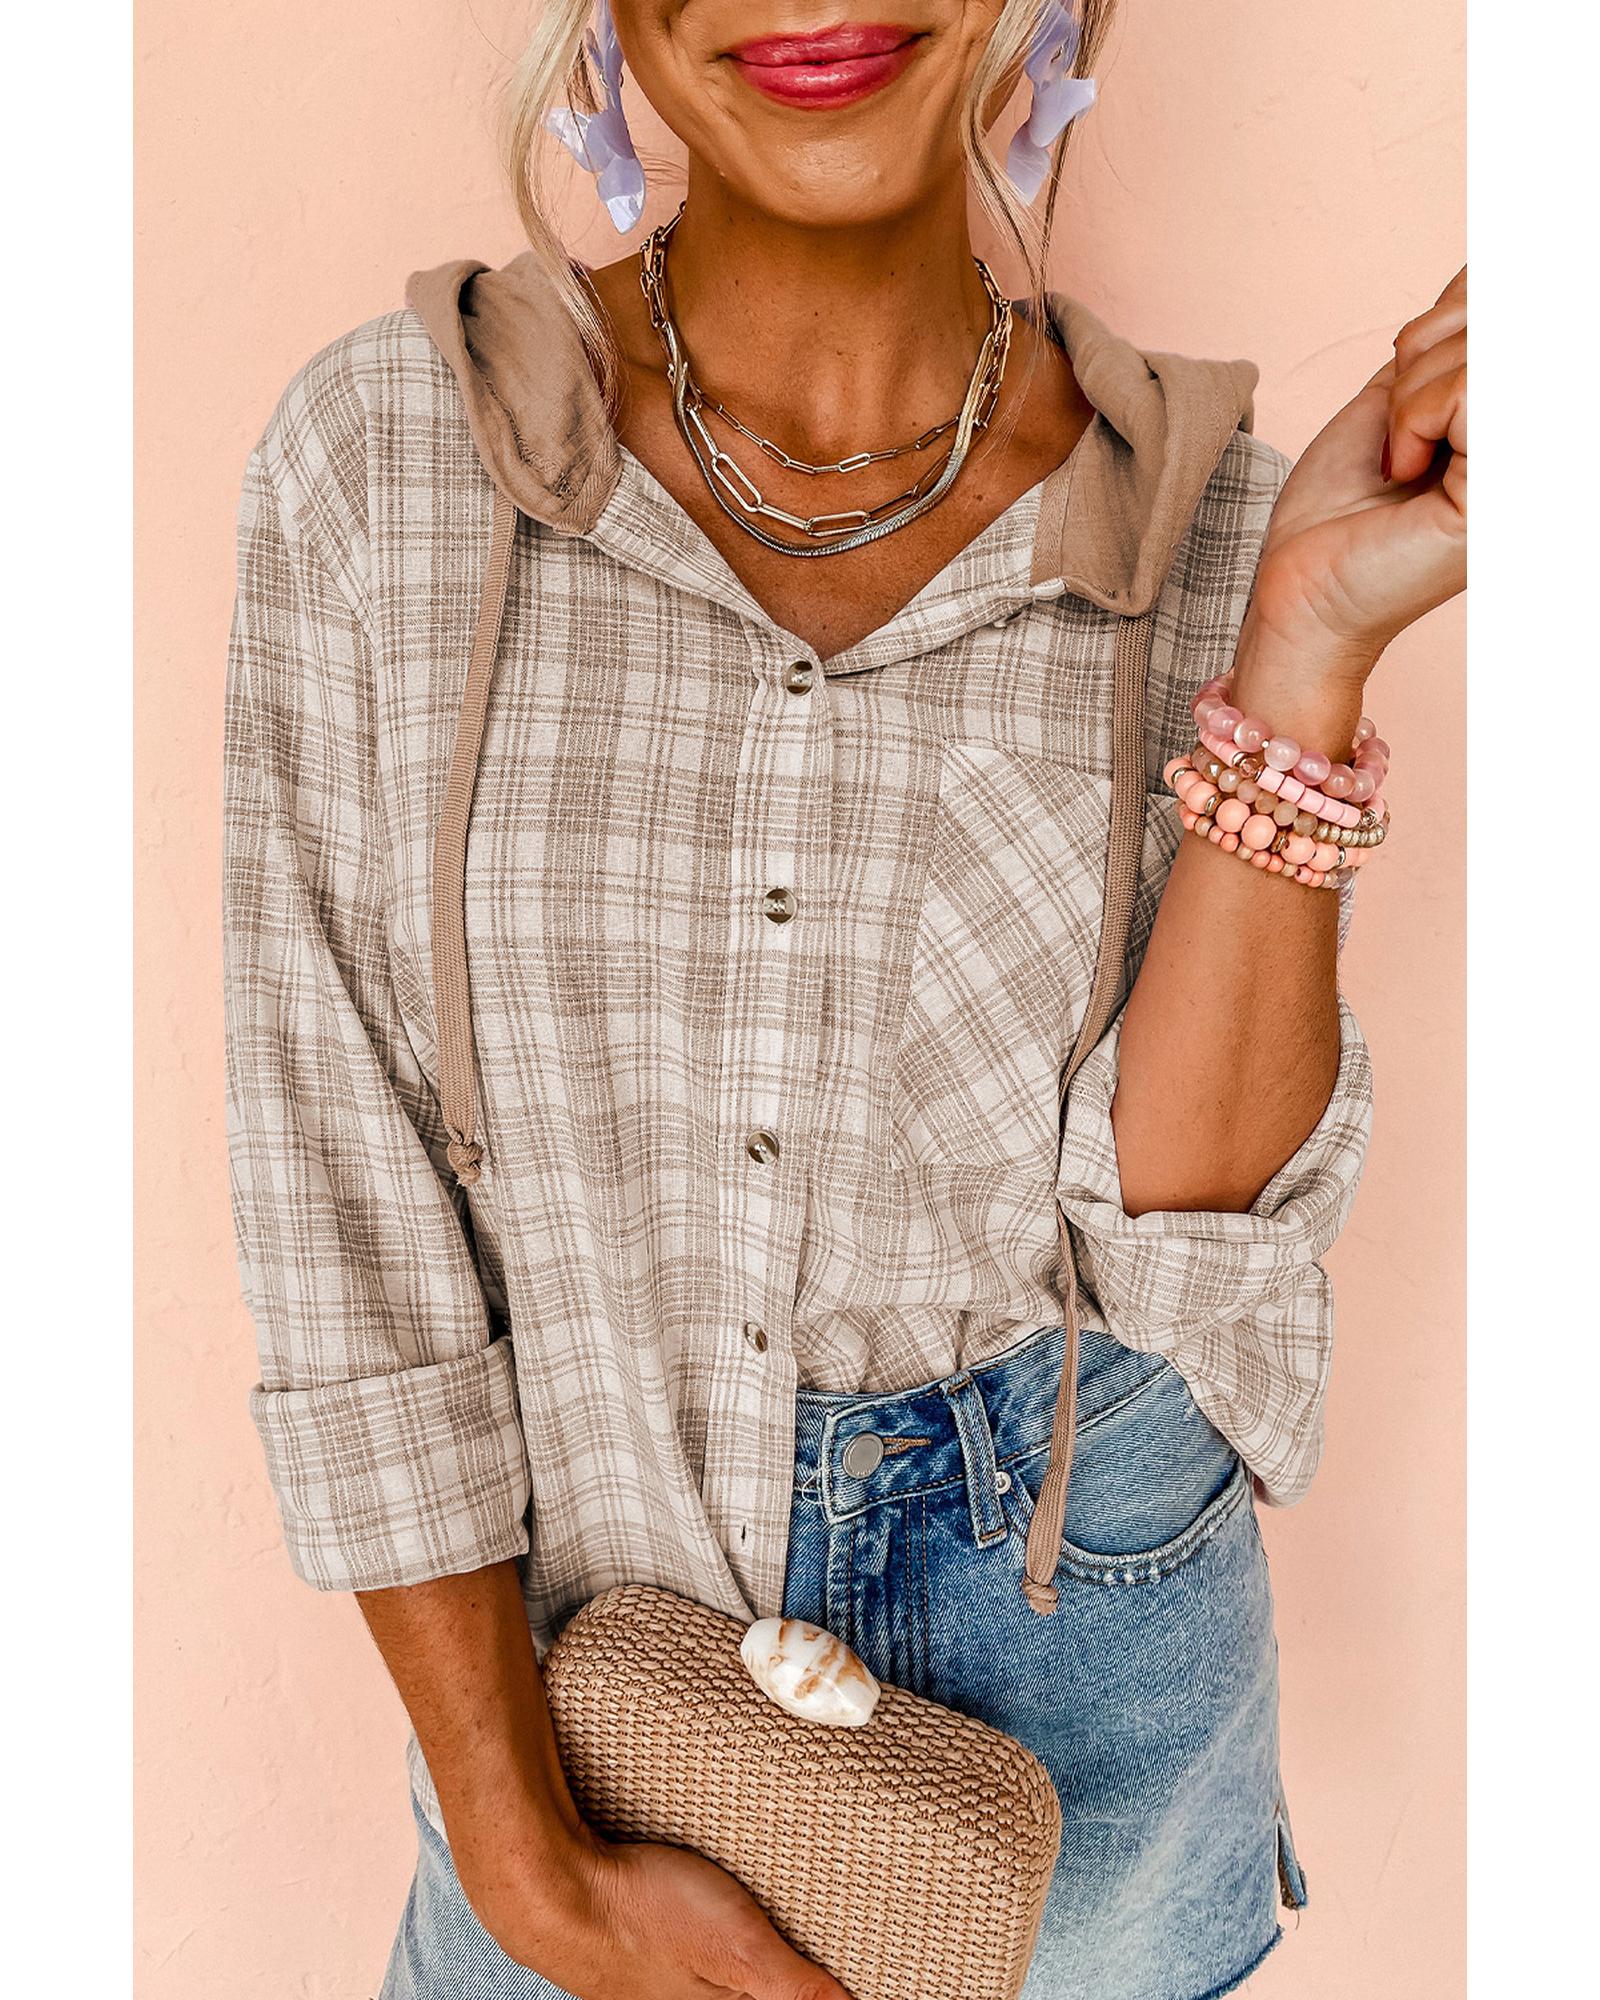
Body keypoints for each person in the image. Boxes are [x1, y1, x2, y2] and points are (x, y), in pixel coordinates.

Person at [220, 4, 1466, 1996]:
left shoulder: (1217, 519)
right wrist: (531, 1871)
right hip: (593, 1723)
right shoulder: (389, 463)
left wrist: (1303, 651)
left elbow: (1185, 1252)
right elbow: (341, 1217)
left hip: (1089, 1729)